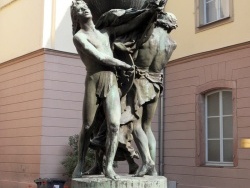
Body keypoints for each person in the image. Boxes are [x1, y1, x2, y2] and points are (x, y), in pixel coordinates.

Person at [70, 0, 157, 179]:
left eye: (84, 6)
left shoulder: (106, 32)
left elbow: (130, 25)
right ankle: (80, 163)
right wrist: (122, 64)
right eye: (79, 8)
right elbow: (99, 57)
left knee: (114, 125)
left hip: (111, 82)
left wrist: (149, 13)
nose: (84, 8)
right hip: (94, 81)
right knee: (88, 126)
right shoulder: (79, 37)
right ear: (76, 16)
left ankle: (108, 167)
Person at [127, 11, 178, 176]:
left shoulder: (145, 36)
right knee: (147, 127)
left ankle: (147, 162)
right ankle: (152, 169)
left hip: (138, 83)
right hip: (156, 85)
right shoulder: (171, 44)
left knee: (135, 125)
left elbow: (131, 56)